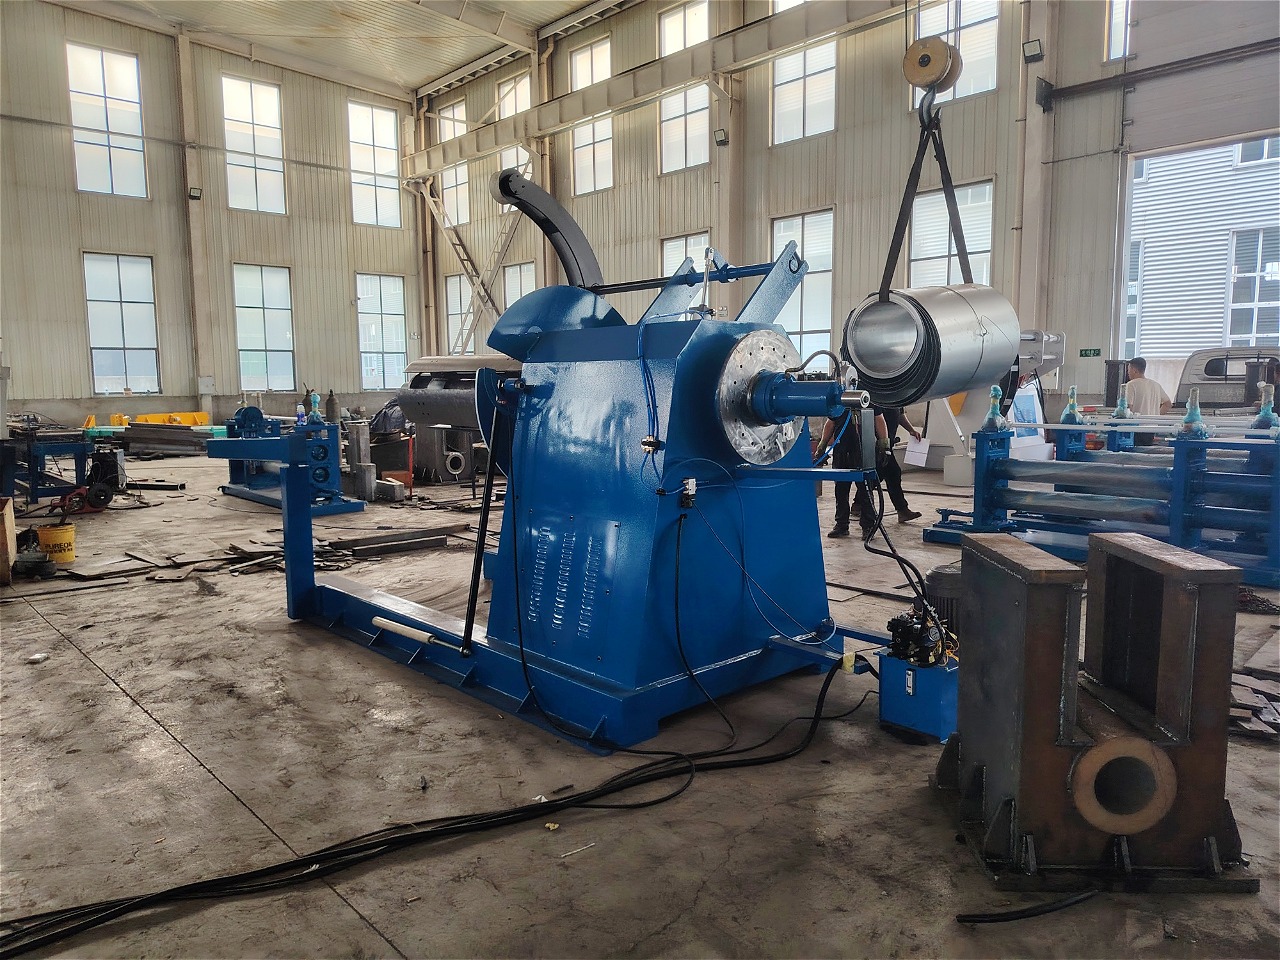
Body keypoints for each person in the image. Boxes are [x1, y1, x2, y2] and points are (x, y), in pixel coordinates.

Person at [819, 406, 921, 542]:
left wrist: (884, 445)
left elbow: (879, 419)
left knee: (865, 490)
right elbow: (830, 422)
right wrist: (822, 445)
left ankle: (868, 526)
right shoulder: (840, 402)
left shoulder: (868, 400)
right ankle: (841, 525)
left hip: (863, 450)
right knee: (841, 490)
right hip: (841, 450)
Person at [1125, 357, 1172, 446]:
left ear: (1134, 370)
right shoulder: (1156, 385)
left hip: (1136, 428)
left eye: (1129, 370)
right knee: (1146, 451)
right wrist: (1155, 416)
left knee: (1134, 452)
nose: (1128, 373)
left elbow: (1128, 408)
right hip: (1151, 428)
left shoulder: (1131, 385)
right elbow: (1168, 404)